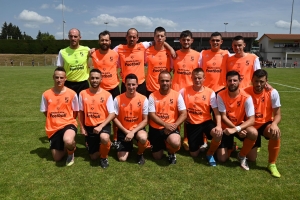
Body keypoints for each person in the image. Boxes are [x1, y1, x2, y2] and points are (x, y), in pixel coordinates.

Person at [114, 28, 175, 96]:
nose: (132, 39)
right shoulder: (119, 48)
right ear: (126, 37)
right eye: (130, 37)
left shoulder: (142, 46)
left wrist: (170, 48)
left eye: (134, 37)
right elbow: (108, 54)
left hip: (141, 84)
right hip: (126, 84)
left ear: (137, 38)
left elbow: (159, 41)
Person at [180, 68, 223, 166]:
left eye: (199, 78)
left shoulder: (210, 92)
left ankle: (210, 153)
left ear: (204, 78)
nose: (197, 80)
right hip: (192, 124)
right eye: (195, 78)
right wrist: (183, 116)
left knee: (218, 134)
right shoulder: (184, 91)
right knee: (194, 154)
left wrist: (219, 126)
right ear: (191, 78)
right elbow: (177, 106)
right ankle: (200, 143)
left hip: (206, 122)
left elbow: (216, 112)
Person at [217, 70, 258, 170]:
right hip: (227, 127)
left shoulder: (247, 97)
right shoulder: (220, 95)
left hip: (240, 126)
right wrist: (236, 129)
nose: (232, 83)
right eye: (230, 80)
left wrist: (237, 129)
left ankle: (241, 155)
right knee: (222, 159)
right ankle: (231, 146)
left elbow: (252, 120)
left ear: (239, 81)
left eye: (235, 80)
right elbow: (223, 116)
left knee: (253, 134)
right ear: (226, 81)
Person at [244, 69, 281, 177]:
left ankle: (272, 164)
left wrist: (274, 124)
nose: (258, 84)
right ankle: (236, 148)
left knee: (276, 133)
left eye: (261, 82)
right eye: (256, 81)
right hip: (250, 125)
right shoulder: (245, 91)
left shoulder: (273, 92)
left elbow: (278, 114)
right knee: (251, 159)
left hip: (265, 124)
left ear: (266, 81)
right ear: (252, 80)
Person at [40, 67, 78, 166]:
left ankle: (71, 152)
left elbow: (76, 111)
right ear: (53, 77)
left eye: (61, 77)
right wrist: (55, 120)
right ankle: (67, 144)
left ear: (65, 78)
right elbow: (45, 111)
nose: (59, 80)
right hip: (53, 128)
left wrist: (67, 120)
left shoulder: (72, 94)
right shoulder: (46, 94)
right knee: (57, 158)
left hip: (68, 123)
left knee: (68, 140)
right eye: (57, 77)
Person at [198, 32, 230, 151]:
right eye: (213, 40)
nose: (215, 42)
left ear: (221, 42)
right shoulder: (204, 53)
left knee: (221, 116)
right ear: (209, 42)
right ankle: (204, 141)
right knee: (204, 116)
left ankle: (223, 141)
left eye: (217, 40)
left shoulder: (226, 54)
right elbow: (199, 70)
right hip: (206, 91)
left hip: (221, 90)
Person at [78, 69, 115, 168]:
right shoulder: (82, 93)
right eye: (92, 78)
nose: (94, 80)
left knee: (104, 137)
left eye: (97, 78)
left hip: (103, 125)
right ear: (89, 79)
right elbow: (80, 112)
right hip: (89, 126)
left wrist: (101, 126)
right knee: (93, 157)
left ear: (101, 79)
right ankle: (106, 144)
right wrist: (82, 128)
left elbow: (112, 113)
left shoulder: (107, 95)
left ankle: (104, 157)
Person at [148, 71, 187, 164]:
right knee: (157, 157)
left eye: (167, 81)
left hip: (171, 127)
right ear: (158, 81)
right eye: (162, 81)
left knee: (176, 142)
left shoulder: (177, 95)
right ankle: (163, 143)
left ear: (171, 81)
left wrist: (174, 125)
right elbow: (151, 115)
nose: (164, 83)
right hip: (156, 128)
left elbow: (184, 113)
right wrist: (165, 125)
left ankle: (171, 152)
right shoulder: (152, 96)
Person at [172, 30, 201, 151]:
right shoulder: (174, 54)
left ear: (192, 41)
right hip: (176, 89)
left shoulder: (198, 55)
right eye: (184, 40)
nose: (186, 42)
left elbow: (200, 73)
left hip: (191, 90)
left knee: (190, 115)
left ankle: (188, 138)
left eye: (188, 40)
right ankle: (176, 137)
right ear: (180, 41)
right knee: (176, 115)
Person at [91, 30, 120, 147]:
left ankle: (116, 137)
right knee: (99, 113)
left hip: (114, 88)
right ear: (99, 41)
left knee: (116, 115)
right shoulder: (92, 54)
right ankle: (98, 134)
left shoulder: (115, 54)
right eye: (102, 40)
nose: (104, 42)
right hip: (100, 90)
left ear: (110, 41)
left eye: (106, 40)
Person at [113, 73, 150, 165]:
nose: (131, 87)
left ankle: (140, 153)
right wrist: (126, 131)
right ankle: (129, 144)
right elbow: (114, 118)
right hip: (123, 129)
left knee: (143, 137)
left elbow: (145, 120)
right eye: (128, 84)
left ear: (137, 85)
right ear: (125, 84)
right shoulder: (117, 99)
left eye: (133, 84)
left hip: (137, 129)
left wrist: (132, 132)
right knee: (122, 159)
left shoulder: (143, 99)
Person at [57, 28, 91, 96]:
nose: (73, 38)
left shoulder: (87, 50)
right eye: (71, 36)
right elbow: (59, 70)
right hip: (68, 84)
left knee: (83, 106)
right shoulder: (62, 52)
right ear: (68, 37)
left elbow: (90, 64)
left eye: (75, 36)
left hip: (83, 84)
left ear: (80, 37)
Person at [145, 26, 172, 98]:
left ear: (165, 38)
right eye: (157, 36)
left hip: (165, 88)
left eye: (162, 36)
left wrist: (170, 48)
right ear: (154, 37)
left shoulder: (170, 52)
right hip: (151, 89)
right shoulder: (147, 51)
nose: (159, 38)